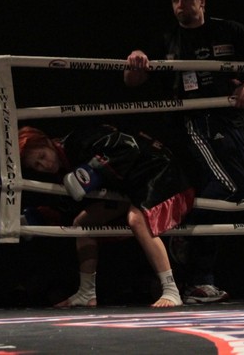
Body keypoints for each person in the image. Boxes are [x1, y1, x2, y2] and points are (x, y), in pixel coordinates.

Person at [124, 0, 244, 303]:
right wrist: (136, 58)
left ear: (201, 1)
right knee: (230, 185)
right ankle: (188, 244)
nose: (180, 5)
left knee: (231, 191)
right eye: (175, 0)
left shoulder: (225, 29)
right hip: (194, 121)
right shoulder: (167, 38)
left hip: (231, 119)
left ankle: (200, 278)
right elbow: (131, 80)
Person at [18, 123, 195, 308]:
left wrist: (94, 168)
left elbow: (130, 147)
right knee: (83, 223)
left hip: (158, 170)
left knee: (137, 220)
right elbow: (72, 202)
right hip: (131, 187)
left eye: (42, 156)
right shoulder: (63, 165)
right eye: (37, 165)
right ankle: (86, 292)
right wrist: (43, 215)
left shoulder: (80, 139)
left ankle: (171, 290)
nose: (45, 165)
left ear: (48, 142)